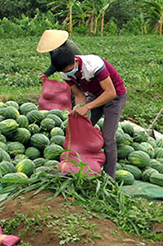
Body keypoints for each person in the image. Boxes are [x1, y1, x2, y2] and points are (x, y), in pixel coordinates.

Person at [50, 47, 127, 178]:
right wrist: (78, 110)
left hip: (115, 97)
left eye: (70, 70)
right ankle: (77, 169)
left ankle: (109, 178)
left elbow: (110, 92)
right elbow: (79, 94)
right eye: (66, 73)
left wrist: (87, 107)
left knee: (108, 138)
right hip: (95, 96)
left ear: (75, 61)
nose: (69, 74)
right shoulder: (66, 74)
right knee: (79, 132)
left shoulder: (94, 65)